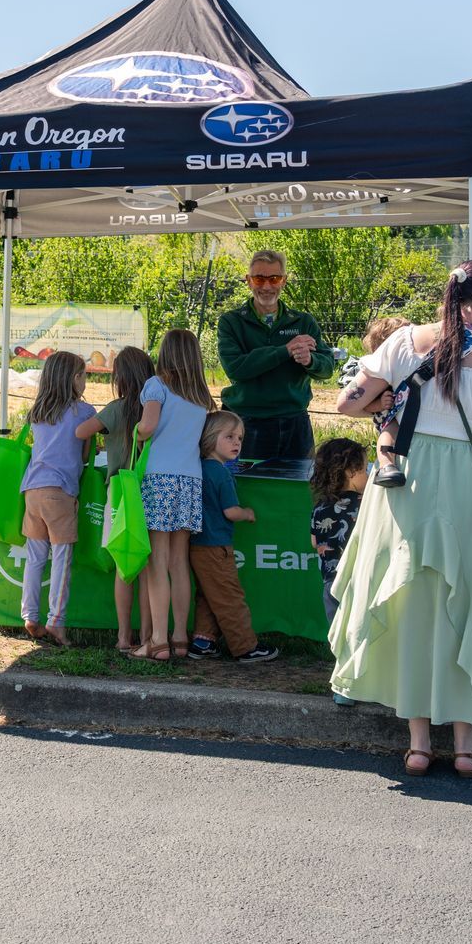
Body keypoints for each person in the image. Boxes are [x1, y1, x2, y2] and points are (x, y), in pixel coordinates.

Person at [330, 260, 472, 777]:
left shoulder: (402, 345)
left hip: (406, 480)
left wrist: (393, 402)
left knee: (411, 602)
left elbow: (346, 404)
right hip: (469, 483)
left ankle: (419, 744)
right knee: (465, 600)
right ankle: (465, 748)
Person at [135, 328, 214, 662]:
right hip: (190, 479)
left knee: (157, 563)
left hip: (158, 479)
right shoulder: (200, 395)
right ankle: (180, 637)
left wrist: (135, 431)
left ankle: (157, 641)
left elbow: (148, 427)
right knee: (180, 562)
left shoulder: (156, 386)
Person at [218, 248, 338, 461]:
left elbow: (327, 368)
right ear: (248, 281)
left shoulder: (303, 321)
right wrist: (285, 350)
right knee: (248, 489)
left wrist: (311, 361)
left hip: (294, 423)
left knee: (297, 488)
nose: (266, 286)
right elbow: (236, 369)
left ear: (284, 281)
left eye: (274, 279)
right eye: (259, 279)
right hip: (245, 422)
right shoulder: (231, 321)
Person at [77, 346, 154, 652]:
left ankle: (124, 636)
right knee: (150, 568)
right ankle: (150, 635)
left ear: (121, 377)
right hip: (149, 490)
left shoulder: (116, 408)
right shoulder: (155, 409)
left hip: (120, 491)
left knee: (124, 567)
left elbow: (82, 431)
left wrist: (101, 441)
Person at [187, 409, 280, 663]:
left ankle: (203, 641)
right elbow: (230, 512)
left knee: (208, 593)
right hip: (217, 547)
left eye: (239, 437)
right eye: (229, 437)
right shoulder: (221, 473)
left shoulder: (198, 468)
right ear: (209, 438)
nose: (237, 442)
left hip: (196, 545)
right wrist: (247, 513)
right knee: (229, 597)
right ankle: (245, 647)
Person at [19, 350, 94, 646]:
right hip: (60, 493)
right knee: (61, 559)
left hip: (32, 491)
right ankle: (56, 622)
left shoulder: (37, 411)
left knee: (35, 559)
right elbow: (86, 455)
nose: (86, 380)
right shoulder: (84, 413)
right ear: (74, 379)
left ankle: (29, 614)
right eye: (84, 375)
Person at [310, 437, 368, 706]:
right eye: (365, 469)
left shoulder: (320, 508)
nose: (369, 475)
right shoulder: (366, 506)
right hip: (361, 582)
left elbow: (314, 542)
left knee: (340, 635)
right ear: (350, 472)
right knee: (362, 633)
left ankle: (344, 688)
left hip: (331, 583)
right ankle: (366, 682)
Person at [358, 315, 426, 488]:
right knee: (390, 431)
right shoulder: (379, 375)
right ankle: (386, 464)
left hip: (410, 415)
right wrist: (379, 404)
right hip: (389, 416)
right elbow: (366, 404)